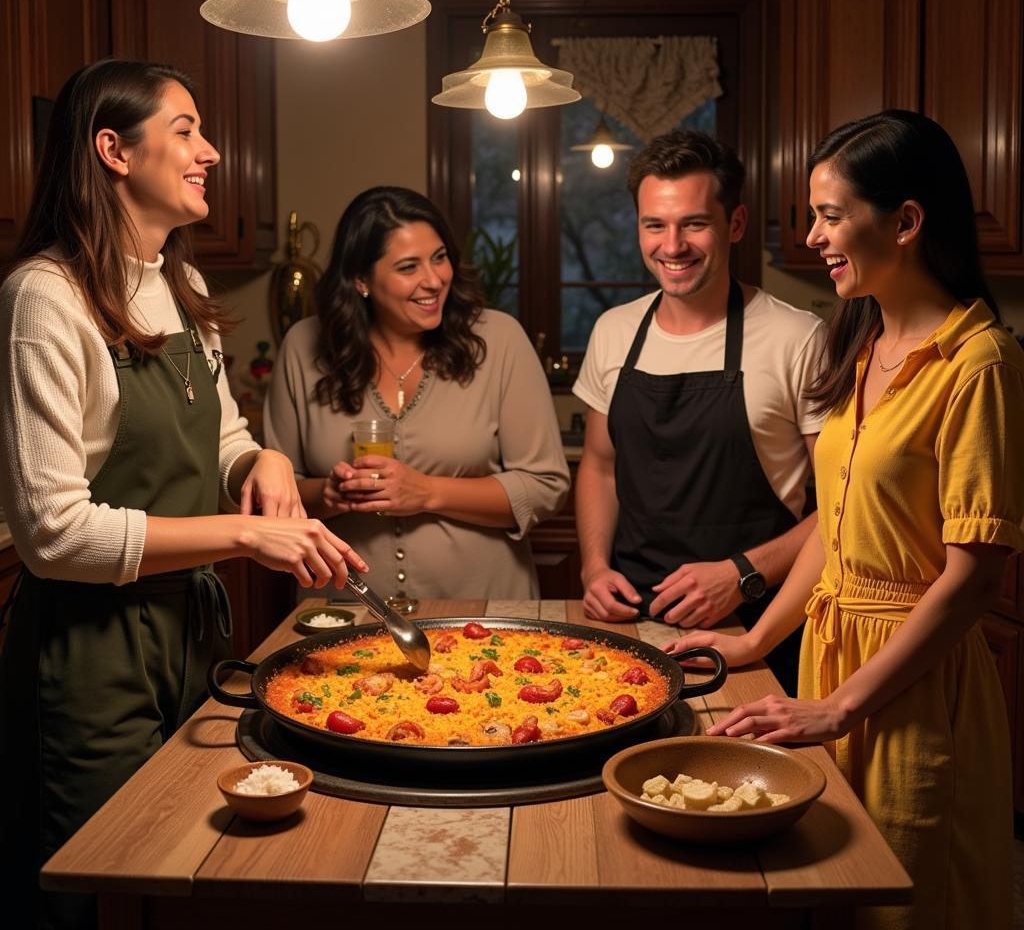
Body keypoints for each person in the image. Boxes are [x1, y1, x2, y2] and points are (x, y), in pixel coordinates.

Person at [0, 60, 366, 930]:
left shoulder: (180, 282)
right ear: (113, 151)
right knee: (105, 885)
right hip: (89, 657)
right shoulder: (44, 301)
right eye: (187, 130)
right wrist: (245, 540)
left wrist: (263, 464)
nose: (211, 152)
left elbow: (221, 436)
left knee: (187, 870)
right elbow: (53, 535)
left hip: (187, 634)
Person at [668, 110, 1021, 929]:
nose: (816, 235)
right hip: (831, 656)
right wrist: (756, 644)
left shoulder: (980, 363)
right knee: (823, 889)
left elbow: (974, 577)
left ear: (904, 222)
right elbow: (839, 526)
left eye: (831, 215)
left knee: (905, 897)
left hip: (911, 680)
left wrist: (842, 707)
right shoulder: (861, 344)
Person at [573, 129, 824, 694]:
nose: (672, 245)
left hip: (759, 627)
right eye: (654, 225)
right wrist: (594, 567)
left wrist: (743, 573)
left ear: (734, 225)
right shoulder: (613, 332)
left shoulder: (797, 338)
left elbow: (843, 507)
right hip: (633, 621)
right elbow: (599, 465)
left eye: (694, 224)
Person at [264, 185, 569, 601]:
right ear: (360, 280)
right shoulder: (303, 346)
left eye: (440, 258)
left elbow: (545, 485)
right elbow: (276, 493)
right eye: (408, 267)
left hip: (481, 612)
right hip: (344, 614)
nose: (434, 280)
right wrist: (329, 495)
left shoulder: (499, 340)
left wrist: (426, 491)